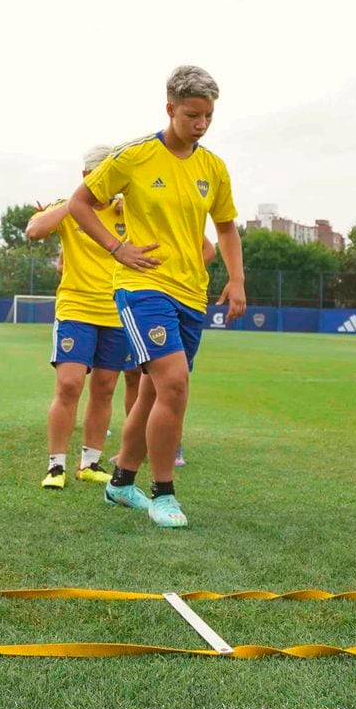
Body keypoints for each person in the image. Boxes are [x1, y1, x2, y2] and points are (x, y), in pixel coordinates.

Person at [66, 66, 244, 529]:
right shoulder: (135, 156)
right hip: (142, 288)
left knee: (151, 391)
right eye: (192, 115)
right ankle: (163, 493)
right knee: (175, 385)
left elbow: (225, 226)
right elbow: (80, 203)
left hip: (192, 293)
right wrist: (117, 248)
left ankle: (121, 482)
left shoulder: (213, 168)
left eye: (208, 116)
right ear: (170, 108)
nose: (201, 124)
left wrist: (237, 279)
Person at [25, 144, 133, 488]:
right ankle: (55, 466)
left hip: (116, 311)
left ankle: (90, 462)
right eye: (99, 174)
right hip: (76, 308)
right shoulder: (70, 209)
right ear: (86, 176)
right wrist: (73, 204)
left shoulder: (125, 211)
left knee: (104, 388)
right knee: (70, 384)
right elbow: (34, 230)